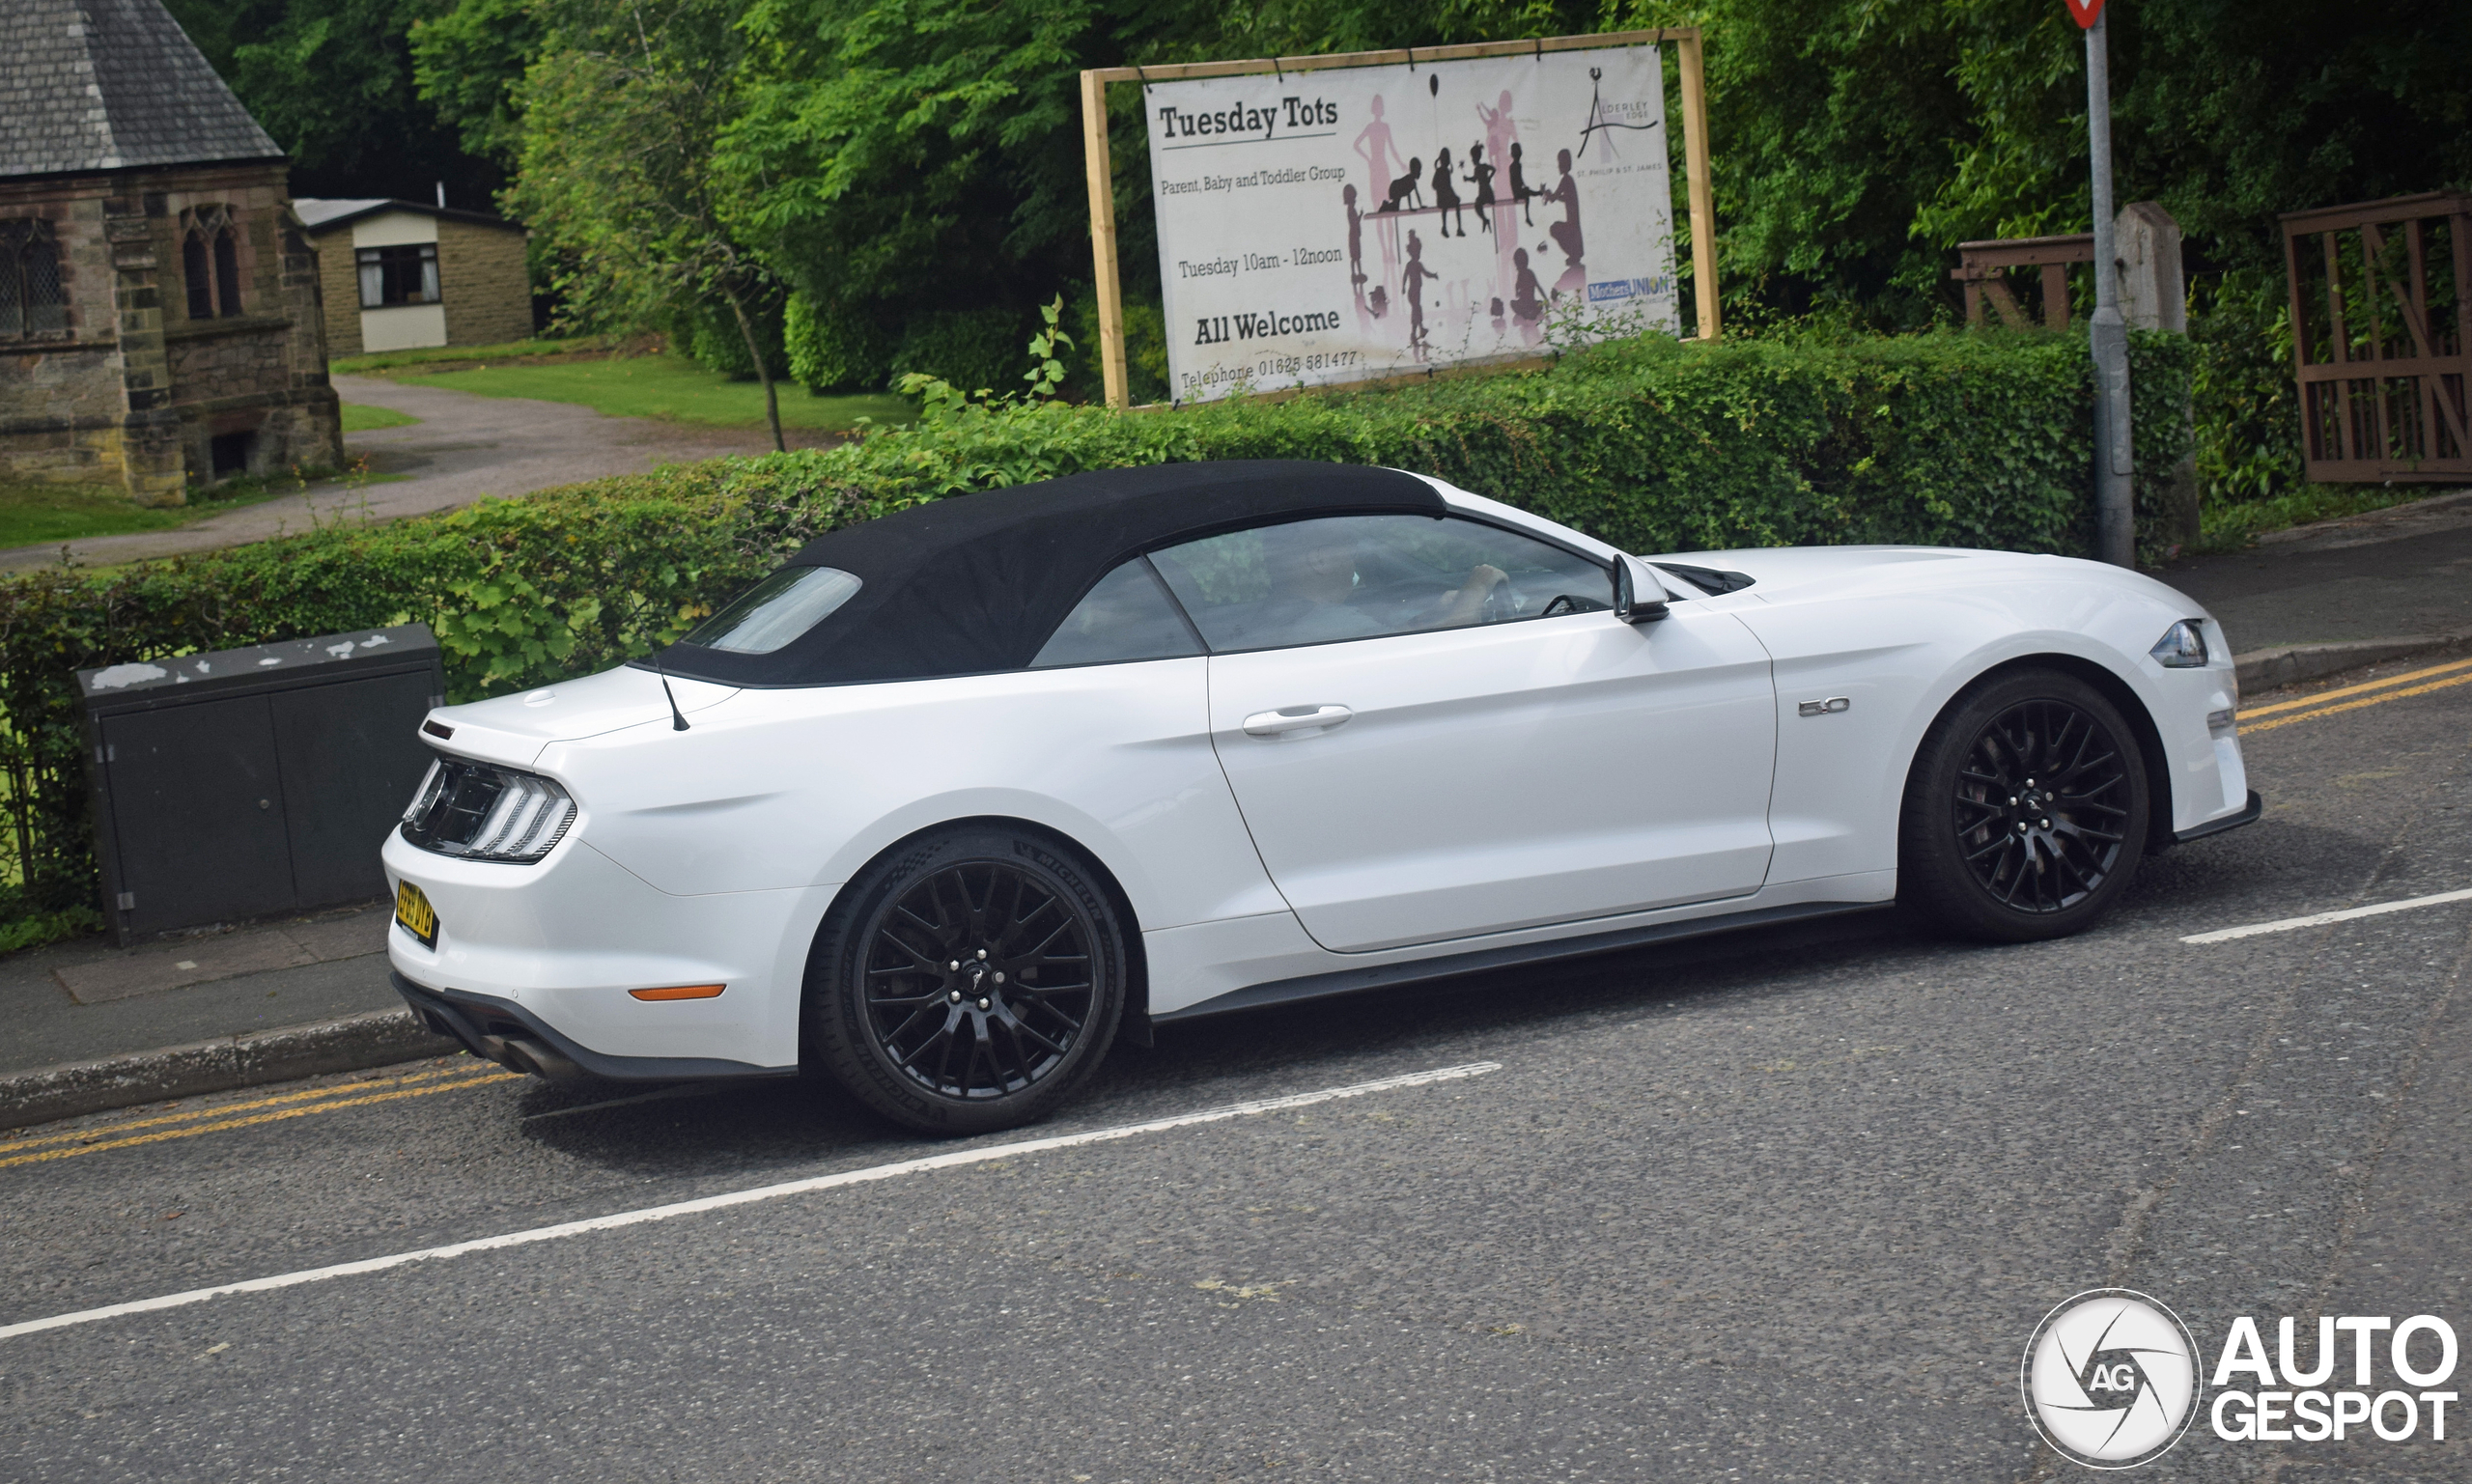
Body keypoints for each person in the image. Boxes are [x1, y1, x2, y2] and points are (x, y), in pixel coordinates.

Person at [1465, 143, 1497, 236]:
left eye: (1472, 158)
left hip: (1484, 191)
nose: (1472, 160)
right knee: (1478, 204)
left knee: (1477, 204)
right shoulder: (1482, 167)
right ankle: (1485, 220)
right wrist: (1468, 179)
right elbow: (1493, 169)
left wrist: (1467, 179)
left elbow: (1475, 179)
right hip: (1485, 191)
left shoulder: (1480, 168)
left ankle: (1485, 220)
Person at [1430, 150, 1463, 238]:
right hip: (1442, 198)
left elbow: (1448, 187)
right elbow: (1434, 185)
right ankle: (1448, 227)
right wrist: (1441, 188)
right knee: (1450, 204)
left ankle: (1457, 228)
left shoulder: (1445, 171)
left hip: (1445, 197)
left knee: (1454, 203)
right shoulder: (1441, 171)